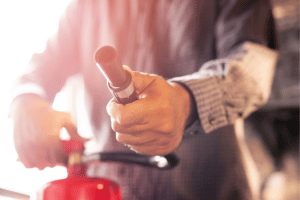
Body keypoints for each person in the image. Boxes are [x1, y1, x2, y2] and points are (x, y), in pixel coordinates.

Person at [10, 0, 279, 199]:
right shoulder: (85, 6)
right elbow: (40, 68)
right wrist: (27, 100)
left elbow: (253, 66)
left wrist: (187, 102)